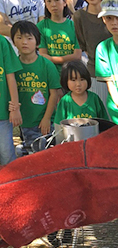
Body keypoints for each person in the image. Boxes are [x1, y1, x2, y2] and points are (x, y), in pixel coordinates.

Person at [11, 21, 60, 149]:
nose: (24, 42)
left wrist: (47, 118)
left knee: (45, 153)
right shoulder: (12, 66)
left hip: (44, 121)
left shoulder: (47, 65)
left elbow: (54, 93)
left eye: (29, 38)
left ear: (37, 42)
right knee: (30, 152)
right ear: (13, 41)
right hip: (24, 121)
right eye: (19, 38)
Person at [72, 0, 112, 107]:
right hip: (95, 72)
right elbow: (83, 44)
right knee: (99, 115)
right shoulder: (79, 16)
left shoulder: (114, 12)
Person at [54, 60, 109, 129]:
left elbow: (105, 123)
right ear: (65, 81)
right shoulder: (65, 101)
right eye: (73, 80)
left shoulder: (94, 98)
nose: (78, 84)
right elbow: (59, 126)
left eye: (82, 79)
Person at [37, 0, 82, 75]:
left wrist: (51, 59)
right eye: (49, 1)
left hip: (71, 74)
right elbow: (43, 55)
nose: (53, 4)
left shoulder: (75, 26)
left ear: (65, 3)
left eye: (57, 0)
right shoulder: (41, 26)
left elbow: (77, 56)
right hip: (50, 74)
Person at [0, 34, 22, 165]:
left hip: (2, 113)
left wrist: (15, 107)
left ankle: (11, 185)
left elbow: (10, 75)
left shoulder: (2, 42)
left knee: (7, 154)